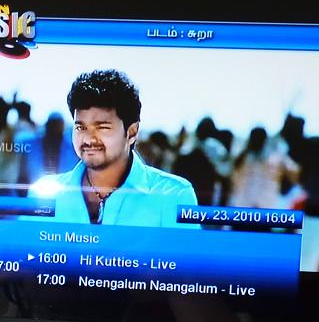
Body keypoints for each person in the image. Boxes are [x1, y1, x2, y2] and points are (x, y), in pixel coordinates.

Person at [28, 69, 197, 226]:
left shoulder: (172, 195)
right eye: (81, 127)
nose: (89, 138)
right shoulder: (45, 195)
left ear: (132, 132)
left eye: (102, 127)